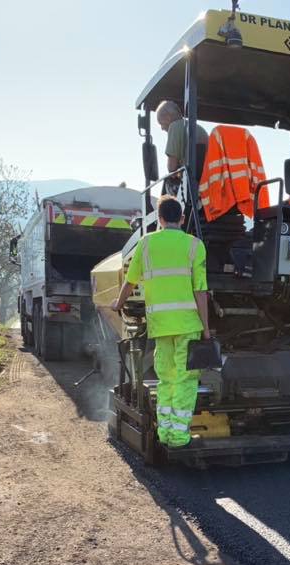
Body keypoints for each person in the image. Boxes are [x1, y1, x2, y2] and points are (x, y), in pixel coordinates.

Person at [114, 196, 210, 449]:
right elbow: (201, 291)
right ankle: (179, 437)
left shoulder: (145, 244)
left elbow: (130, 281)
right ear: (182, 218)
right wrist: (207, 329)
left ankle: (166, 433)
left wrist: (117, 303)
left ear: (159, 219)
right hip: (188, 325)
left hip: (160, 326)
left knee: (166, 379)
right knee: (185, 380)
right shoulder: (195, 245)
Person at [156, 101, 208, 195]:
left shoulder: (175, 127)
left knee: (167, 180)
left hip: (191, 188)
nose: (162, 128)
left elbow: (171, 168)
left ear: (168, 118)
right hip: (206, 183)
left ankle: (164, 209)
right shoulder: (199, 128)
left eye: (161, 123)